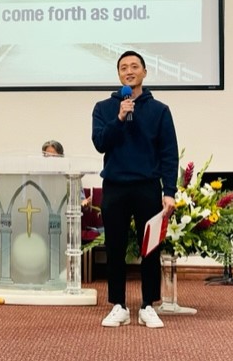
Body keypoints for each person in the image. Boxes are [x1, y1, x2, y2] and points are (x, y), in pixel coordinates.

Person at [92, 50, 178, 329]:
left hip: (147, 186)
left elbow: (169, 153)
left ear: (144, 72)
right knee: (115, 247)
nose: (129, 71)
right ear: (119, 75)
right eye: (123, 68)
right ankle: (118, 305)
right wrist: (119, 118)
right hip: (115, 185)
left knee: (149, 248)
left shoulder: (160, 110)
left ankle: (147, 305)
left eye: (134, 66)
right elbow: (100, 143)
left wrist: (169, 191)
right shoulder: (103, 108)